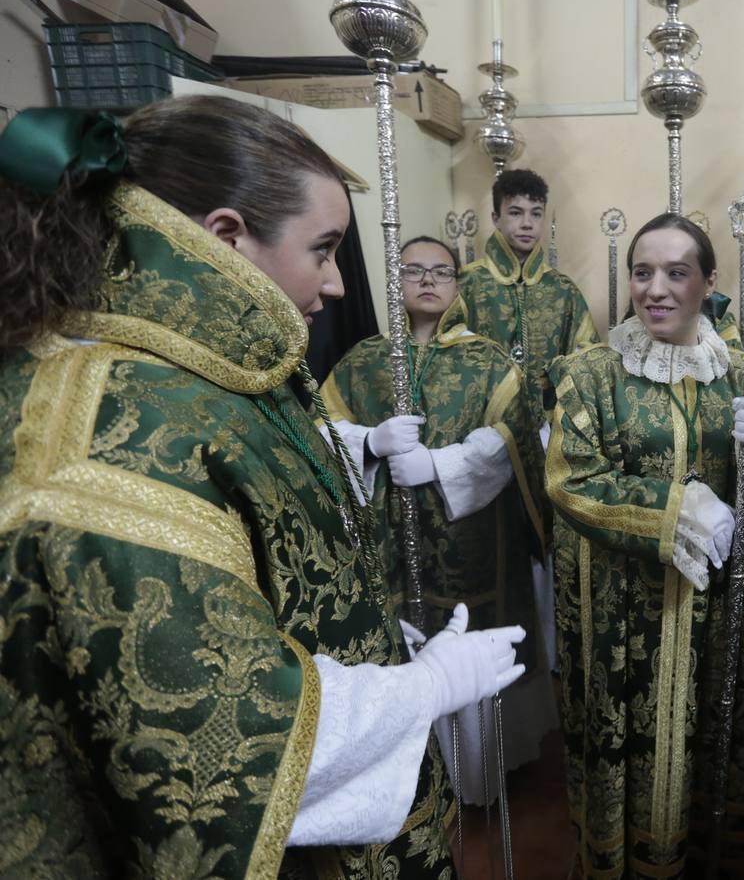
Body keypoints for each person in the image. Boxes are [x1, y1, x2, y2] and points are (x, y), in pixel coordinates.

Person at [0, 97, 526, 878]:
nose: (338, 285)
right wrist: (424, 689)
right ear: (224, 238)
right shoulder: (118, 431)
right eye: (323, 249)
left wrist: (378, 648)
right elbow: (222, 751)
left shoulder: (209, 375)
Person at [545, 214, 744, 877]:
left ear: (710, 283)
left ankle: (704, 849)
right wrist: (676, 508)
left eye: (676, 273)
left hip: (714, 605)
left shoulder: (742, 373)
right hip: (622, 607)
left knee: (708, 730)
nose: (655, 289)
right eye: (642, 272)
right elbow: (572, 480)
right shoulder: (591, 373)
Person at [318, 235, 556, 803]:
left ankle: (479, 769)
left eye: (441, 271)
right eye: (413, 270)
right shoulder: (364, 359)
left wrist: (441, 464)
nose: (427, 280)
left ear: (457, 284)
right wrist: (369, 442)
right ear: (395, 279)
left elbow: (511, 441)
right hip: (390, 539)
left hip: (473, 536)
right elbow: (322, 428)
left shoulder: (490, 361)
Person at [448, 168, 599, 437]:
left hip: (548, 421)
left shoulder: (563, 289)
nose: (527, 223)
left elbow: (588, 357)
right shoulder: (467, 283)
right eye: (516, 213)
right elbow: (446, 352)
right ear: (496, 218)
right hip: (480, 422)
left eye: (536, 213)